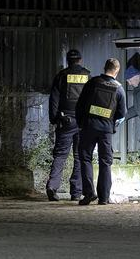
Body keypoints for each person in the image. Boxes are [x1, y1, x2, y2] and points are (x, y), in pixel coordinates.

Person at [75, 58, 126, 205]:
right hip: (106, 130)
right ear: (117, 71)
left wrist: (81, 123)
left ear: (104, 67)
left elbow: (80, 104)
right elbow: (122, 113)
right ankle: (103, 198)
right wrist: (110, 122)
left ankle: (89, 193)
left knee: (85, 159)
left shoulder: (92, 83)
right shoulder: (119, 88)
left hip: (88, 127)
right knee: (105, 162)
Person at [46, 49, 91, 201]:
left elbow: (54, 99)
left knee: (60, 155)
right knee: (79, 157)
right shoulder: (87, 76)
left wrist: (54, 119)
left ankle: (52, 187)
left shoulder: (61, 76)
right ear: (80, 60)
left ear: (68, 61)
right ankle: (76, 192)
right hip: (82, 121)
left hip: (65, 121)